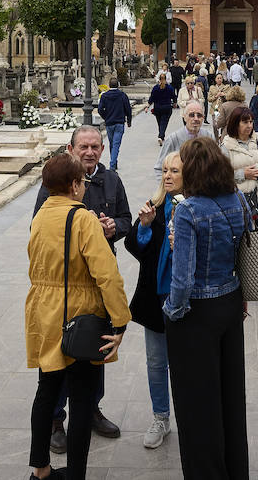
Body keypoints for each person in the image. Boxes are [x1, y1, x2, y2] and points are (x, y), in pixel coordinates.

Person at [27, 153, 131, 480]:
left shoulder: (41, 215)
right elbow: (107, 274)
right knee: (82, 401)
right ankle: (76, 475)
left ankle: (40, 470)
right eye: (82, 182)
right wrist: (120, 319)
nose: (85, 186)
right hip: (79, 314)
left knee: (47, 389)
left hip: (43, 313)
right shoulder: (83, 217)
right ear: (74, 185)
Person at [163, 136, 251, 479]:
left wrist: (172, 310)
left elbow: (182, 279)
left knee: (197, 405)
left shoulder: (188, 210)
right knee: (230, 396)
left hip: (197, 313)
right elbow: (244, 254)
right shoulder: (239, 199)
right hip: (230, 303)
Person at [126, 151, 184, 450]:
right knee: (156, 361)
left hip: (186, 301)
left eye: (174, 170)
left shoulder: (195, 208)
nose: (167, 175)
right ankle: (161, 417)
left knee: (186, 363)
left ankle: (190, 418)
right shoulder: (155, 206)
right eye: (164, 170)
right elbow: (135, 247)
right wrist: (146, 226)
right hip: (156, 297)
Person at [218, 105, 258, 230]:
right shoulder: (226, 146)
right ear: (236, 123)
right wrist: (242, 174)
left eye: (251, 122)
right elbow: (219, 176)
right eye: (245, 122)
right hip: (237, 200)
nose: (249, 125)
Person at [156, 100, 208, 176]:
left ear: (203, 118)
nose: (196, 118)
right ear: (184, 117)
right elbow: (160, 168)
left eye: (199, 115)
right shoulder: (173, 139)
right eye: (192, 115)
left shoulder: (208, 136)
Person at [96, 75, 133, 170]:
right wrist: (129, 120)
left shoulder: (104, 96)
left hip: (109, 123)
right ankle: (112, 165)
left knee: (112, 143)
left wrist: (106, 117)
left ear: (109, 85)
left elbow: (100, 109)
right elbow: (128, 109)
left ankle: (114, 162)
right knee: (116, 144)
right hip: (119, 122)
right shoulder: (122, 95)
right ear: (118, 85)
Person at [147, 71, 177, 144]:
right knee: (164, 122)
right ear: (166, 79)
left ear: (159, 79)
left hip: (157, 108)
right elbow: (174, 96)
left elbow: (152, 98)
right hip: (166, 107)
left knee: (160, 122)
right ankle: (161, 136)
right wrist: (175, 103)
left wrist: (148, 105)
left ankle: (161, 135)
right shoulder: (169, 87)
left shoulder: (155, 88)